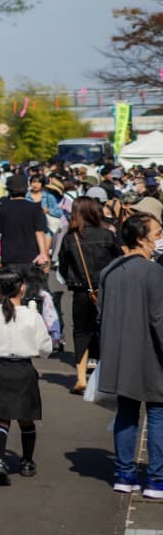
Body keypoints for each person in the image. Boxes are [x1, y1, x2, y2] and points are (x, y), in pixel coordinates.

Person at [93, 212, 163, 496]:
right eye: (157, 233)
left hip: (119, 354)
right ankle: (157, 479)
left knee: (127, 413)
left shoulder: (109, 271)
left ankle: (124, 474)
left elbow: (102, 315)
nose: (159, 238)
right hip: (152, 354)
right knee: (158, 414)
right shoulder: (155, 272)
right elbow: (160, 319)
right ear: (141, 238)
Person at [0, 267, 51, 486]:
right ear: (22, 288)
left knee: (2, 418)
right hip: (24, 369)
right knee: (26, 418)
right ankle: (26, 462)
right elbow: (46, 348)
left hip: (0, 369)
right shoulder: (31, 315)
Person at [59, 195, 118, 390]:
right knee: (106, 331)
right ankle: (105, 376)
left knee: (81, 332)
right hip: (106, 290)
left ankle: (81, 378)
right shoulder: (107, 235)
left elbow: (63, 267)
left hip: (81, 292)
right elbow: (119, 262)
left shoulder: (70, 238)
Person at [0, 172, 51, 269]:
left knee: (11, 283)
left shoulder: (2, 209)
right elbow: (39, 232)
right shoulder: (35, 208)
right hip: (31, 256)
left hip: (8, 256)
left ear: (9, 190)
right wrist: (43, 253)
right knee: (29, 282)